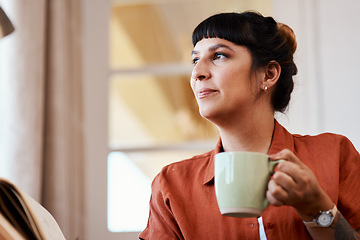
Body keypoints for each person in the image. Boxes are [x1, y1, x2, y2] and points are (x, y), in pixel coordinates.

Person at [139, 11, 360, 240]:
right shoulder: (170, 186)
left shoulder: (335, 155)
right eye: (195, 59)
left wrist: (316, 208)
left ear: (269, 73)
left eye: (219, 55)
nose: (197, 73)